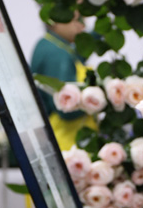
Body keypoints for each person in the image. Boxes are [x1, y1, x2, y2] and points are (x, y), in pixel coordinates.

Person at [30, 13, 95, 150]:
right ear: (54, 20)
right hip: (67, 143)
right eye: (77, 20)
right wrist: (99, 96)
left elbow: (81, 54)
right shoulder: (56, 54)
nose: (82, 25)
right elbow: (67, 110)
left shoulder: (52, 45)